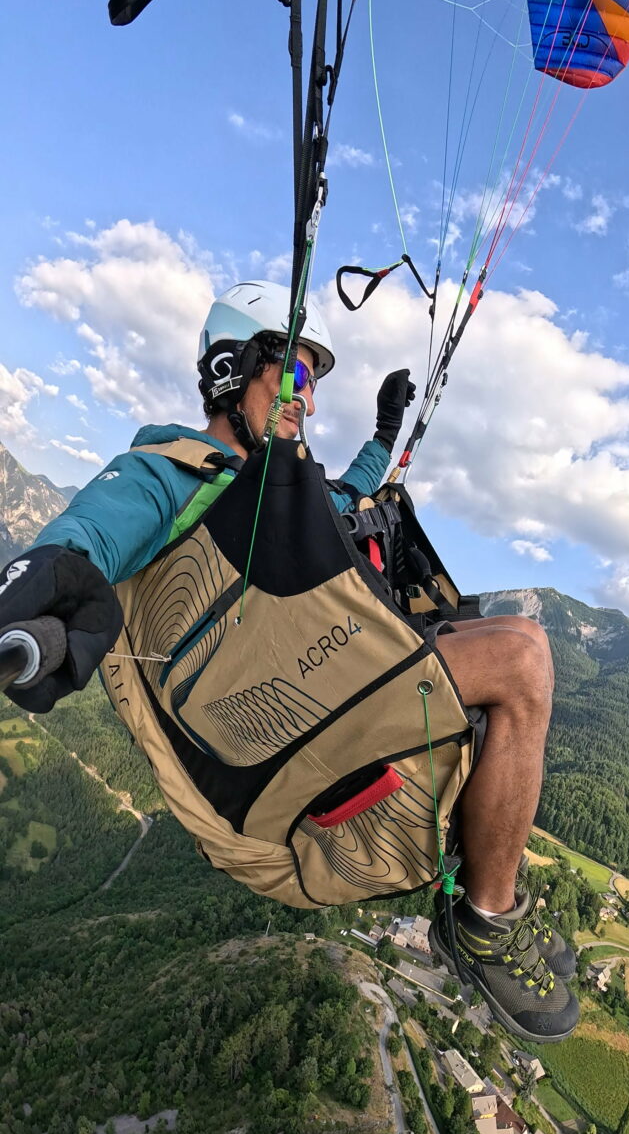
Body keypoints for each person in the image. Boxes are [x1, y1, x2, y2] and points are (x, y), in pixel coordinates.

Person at [0, 279, 579, 1043]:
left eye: (314, 382)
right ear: (232, 373)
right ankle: (485, 919)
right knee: (522, 660)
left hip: (311, 699)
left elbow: (348, 494)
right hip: (272, 748)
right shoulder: (175, 473)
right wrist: (44, 585)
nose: (307, 398)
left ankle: (484, 882)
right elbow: (94, 532)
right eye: (296, 374)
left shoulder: (278, 494)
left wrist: (383, 431)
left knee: (479, 638)